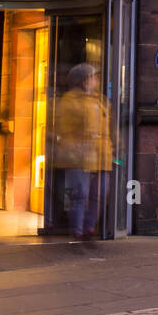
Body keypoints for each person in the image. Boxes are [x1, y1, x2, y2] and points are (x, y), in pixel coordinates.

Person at [54, 63, 114, 240]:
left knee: (101, 195)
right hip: (79, 156)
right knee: (80, 195)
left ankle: (89, 227)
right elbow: (68, 128)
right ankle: (78, 231)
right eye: (93, 77)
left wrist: (113, 146)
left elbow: (108, 128)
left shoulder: (100, 100)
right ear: (84, 80)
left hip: (101, 155)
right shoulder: (70, 101)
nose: (96, 80)